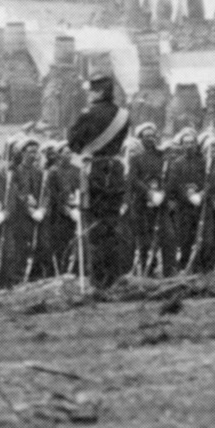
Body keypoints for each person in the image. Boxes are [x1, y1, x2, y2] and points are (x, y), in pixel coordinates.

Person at [64, 73, 132, 283]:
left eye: (91, 91)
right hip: (116, 174)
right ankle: (113, 277)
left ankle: (97, 280)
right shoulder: (124, 115)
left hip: (94, 173)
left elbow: (73, 145)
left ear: (100, 92)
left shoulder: (88, 115)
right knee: (112, 226)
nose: (88, 95)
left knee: (93, 227)